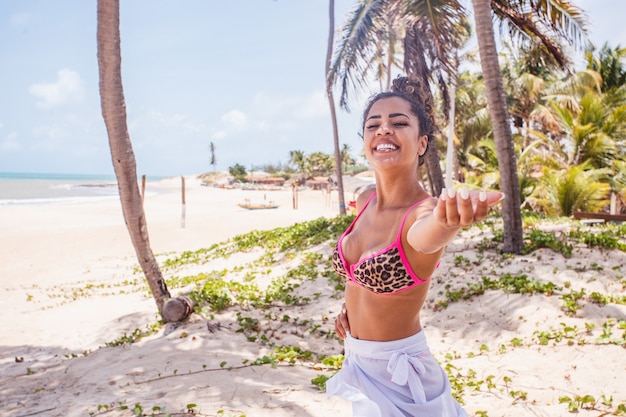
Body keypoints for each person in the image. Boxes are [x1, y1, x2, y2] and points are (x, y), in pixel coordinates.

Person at [326, 77, 504, 417]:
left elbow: (429, 234)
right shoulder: (364, 200)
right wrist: (350, 311)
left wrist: (449, 220)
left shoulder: (423, 213)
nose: (383, 130)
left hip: (402, 379)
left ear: (421, 143)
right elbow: (360, 279)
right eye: (373, 124)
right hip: (357, 360)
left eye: (399, 123)